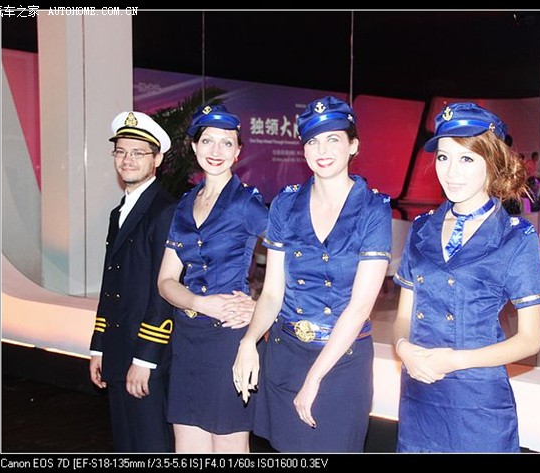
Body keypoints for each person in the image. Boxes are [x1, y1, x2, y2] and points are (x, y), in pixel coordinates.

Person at [232, 96, 392, 452]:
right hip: (286, 355)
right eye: (313, 141)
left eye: (333, 139)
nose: (322, 150)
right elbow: (272, 292)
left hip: (340, 361)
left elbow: (359, 308)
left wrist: (314, 377)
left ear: (353, 145)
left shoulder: (373, 208)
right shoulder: (286, 204)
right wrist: (249, 340)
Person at [392, 102, 540, 452]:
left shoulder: (514, 237)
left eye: (466, 159)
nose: (451, 172)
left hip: (477, 401)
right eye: (443, 157)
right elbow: (403, 317)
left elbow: (529, 340)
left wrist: (455, 360)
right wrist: (403, 348)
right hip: (419, 396)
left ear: (492, 162)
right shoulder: (421, 229)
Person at [157, 104, 269, 452]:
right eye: (207, 141)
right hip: (188, 337)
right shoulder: (184, 204)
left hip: (228, 339)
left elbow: (295, 260)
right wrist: (199, 303)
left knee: (228, 442)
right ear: (194, 147)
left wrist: (261, 305)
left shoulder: (246, 203)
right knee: (187, 443)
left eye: (226, 143)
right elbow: (166, 281)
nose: (216, 151)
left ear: (238, 152)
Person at [89, 111, 177, 452]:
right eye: (121, 151)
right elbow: (110, 284)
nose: (127, 159)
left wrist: (145, 360)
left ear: (157, 159)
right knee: (126, 445)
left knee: (151, 445)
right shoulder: (120, 212)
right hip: (118, 349)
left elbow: (164, 292)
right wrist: (99, 346)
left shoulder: (164, 211)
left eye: (138, 152)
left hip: (145, 356)